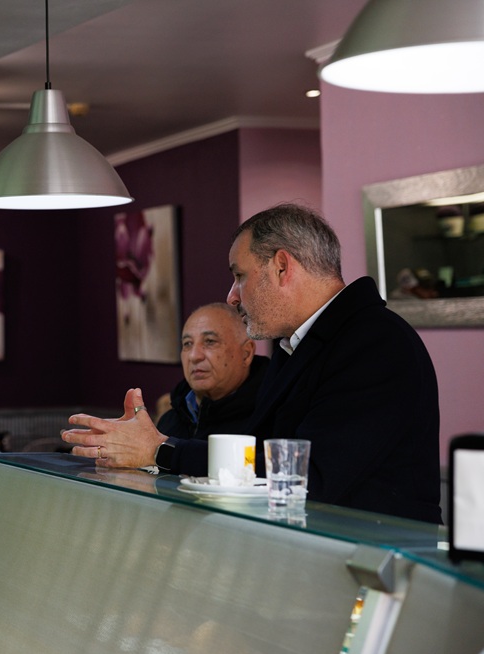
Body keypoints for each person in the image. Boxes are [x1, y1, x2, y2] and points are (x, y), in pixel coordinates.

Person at [63, 203, 442, 524]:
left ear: (281, 266)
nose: (231, 296)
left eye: (239, 276)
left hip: (381, 570)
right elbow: (258, 455)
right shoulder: (295, 346)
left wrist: (161, 449)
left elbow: (309, 475)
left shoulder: (374, 342)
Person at [155, 302, 269, 439]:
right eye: (187, 344)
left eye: (210, 341)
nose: (194, 356)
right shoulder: (169, 423)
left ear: (246, 353)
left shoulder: (270, 419)